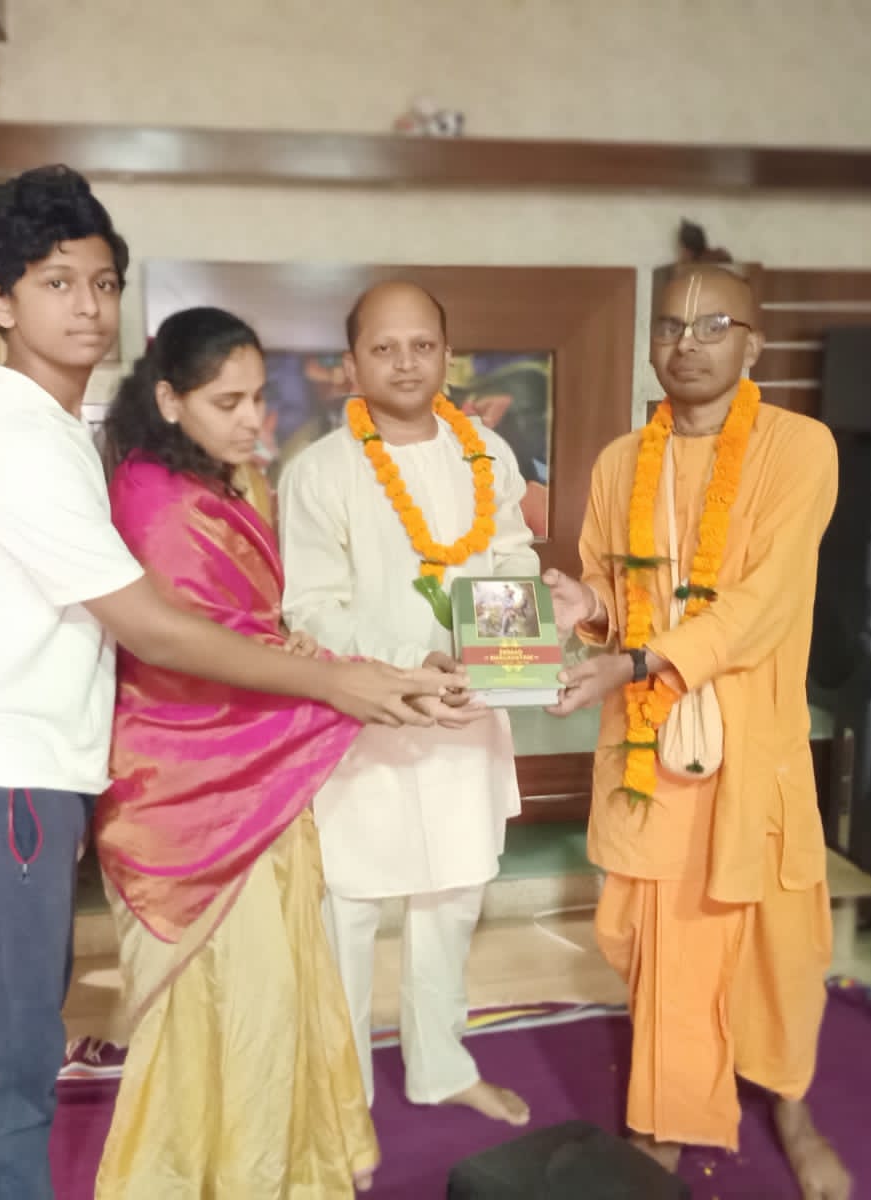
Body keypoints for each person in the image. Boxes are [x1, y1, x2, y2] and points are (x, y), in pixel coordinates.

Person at [0, 167, 450, 1200]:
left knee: (12, 1025)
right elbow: (154, 628)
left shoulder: (56, 432)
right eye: (56, 284)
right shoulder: (17, 441)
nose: (87, 308)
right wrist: (339, 684)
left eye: (102, 284)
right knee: (11, 1047)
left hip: (17, 769)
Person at [92, 306, 455, 1197]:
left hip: (258, 772)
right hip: (189, 788)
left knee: (273, 1006)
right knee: (224, 1019)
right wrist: (344, 684)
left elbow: (252, 629)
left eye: (258, 398)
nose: (253, 419)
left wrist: (346, 669)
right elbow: (184, 653)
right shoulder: (154, 500)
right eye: (228, 402)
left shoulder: (227, 480)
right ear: (169, 400)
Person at [545, 264, 852, 1199]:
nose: (688, 343)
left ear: (753, 345)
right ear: (650, 345)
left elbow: (766, 602)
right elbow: (614, 592)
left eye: (713, 325)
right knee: (664, 942)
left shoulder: (800, 448)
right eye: (670, 326)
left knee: (780, 947)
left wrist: (640, 657)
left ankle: (791, 1103)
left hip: (754, 743)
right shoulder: (619, 462)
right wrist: (587, 607)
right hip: (650, 745)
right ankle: (667, 1114)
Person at [278, 280, 535, 1126]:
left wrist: (495, 662)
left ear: (447, 355)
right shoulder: (320, 471)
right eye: (383, 348)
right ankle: (341, 1090)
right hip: (363, 726)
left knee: (452, 900)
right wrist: (405, 666)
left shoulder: (487, 454)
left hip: (465, 712)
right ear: (352, 363)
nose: (405, 363)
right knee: (348, 911)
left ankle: (441, 1067)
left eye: (422, 345)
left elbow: (512, 561)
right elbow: (310, 608)